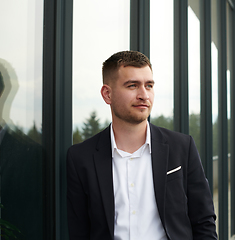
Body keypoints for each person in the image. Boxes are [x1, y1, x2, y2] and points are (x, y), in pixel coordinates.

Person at [66, 50, 217, 240]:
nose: (144, 95)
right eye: (132, 86)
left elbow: (204, 221)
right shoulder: (81, 158)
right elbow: (79, 231)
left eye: (149, 85)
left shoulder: (182, 147)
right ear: (107, 94)